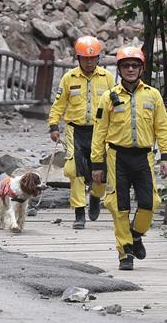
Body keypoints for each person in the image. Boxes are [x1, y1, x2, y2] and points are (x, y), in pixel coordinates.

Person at [90, 46, 167, 270]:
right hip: (117, 157)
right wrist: (97, 163)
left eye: (135, 65)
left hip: (144, 157)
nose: (131, 69)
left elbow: (162, 128)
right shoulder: (108, 97)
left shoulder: (153, 95)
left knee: (150, 203)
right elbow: (99, 132)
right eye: (126, 65)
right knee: (119, 206)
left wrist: (166, 156)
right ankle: (125, 252)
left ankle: (136, 235)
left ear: (142, 69)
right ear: (119, 69)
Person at [47, 36, 116, 229]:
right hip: (75, 130)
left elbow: (116, 104)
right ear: (78, 58)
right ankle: (79, 213)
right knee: (74, 171)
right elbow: (59, 104)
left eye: (92, 58)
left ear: (98, 58)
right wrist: (53, 126)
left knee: (101, 172)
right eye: (85, 58)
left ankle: (95, 196)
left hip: (100, 131)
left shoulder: (107, 78)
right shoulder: (69, 78)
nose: (89, 62)